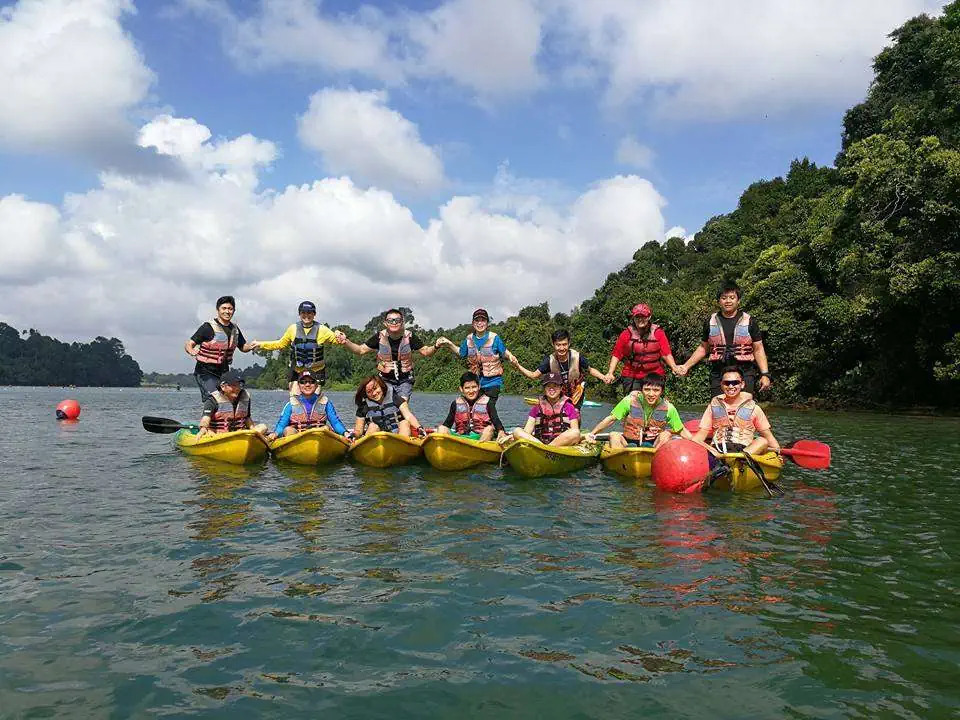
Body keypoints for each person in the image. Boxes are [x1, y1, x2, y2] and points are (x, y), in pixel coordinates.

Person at [677, 282, 772, 396]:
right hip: (719, 372)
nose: (728, 301)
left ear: (738, 300)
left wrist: (765, 374)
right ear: (719, 301)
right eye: (724, 298)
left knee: (744, 404)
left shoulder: (750, 321)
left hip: (745, 371)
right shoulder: (710, 322)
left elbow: (758, 349)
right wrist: (686, 366)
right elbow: (703, 348)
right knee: (718, 405)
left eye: (732, 298)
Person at [335, 308, 438, 402]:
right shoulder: (379, 337)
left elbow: (426, 351)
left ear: (402, 322)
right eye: (390, 320)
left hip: (405, 379)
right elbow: (360, 350)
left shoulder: (410, 337)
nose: (394, 323)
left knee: (402, 404)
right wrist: (346, 342)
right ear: (385, 323)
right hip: (385, 380)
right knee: (387, 405)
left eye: (397, 320)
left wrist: (436, 346)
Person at [253, 300, 339, 404]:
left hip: (316, 371)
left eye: (309, 312)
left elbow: (338, 340)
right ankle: (295, 413)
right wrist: (260, 344)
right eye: (303, 312)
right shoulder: (292, 329)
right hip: (297, 370)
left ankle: (317, 411)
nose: (306, 315)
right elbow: (280, 344)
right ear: (299, 314)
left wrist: (338, 333)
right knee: (295, 400)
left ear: (314, 314)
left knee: (313, 401)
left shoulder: (323, 330)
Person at [586, 373, 692, 449]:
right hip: (628, 443)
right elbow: (611, 419)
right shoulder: (629, 400)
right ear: (641, 390)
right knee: (614, 435)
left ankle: (655, 459)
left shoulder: (669, 408)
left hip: (654, 445)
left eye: (656, 390)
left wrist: (697, 444)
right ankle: (622, 462)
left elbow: (681, 430)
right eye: (647, 389)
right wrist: (592, 434)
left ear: (662, 391)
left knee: (666, 435)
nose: (651, 394)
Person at [510, 329, 611, 408]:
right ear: (553, 344)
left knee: (575, 413)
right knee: (560, 415)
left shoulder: (577, 356)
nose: (562, 348)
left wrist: (603, 377)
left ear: (569, 343)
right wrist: (518, 366)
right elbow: (533, 375)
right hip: (559, 392)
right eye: (558, 345)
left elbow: (590, 370)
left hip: (576, 391)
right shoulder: (549, 360)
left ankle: (575, 427)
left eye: (564, 344)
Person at [692, 366, 780, 455]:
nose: (731, 386)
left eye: (735, 383)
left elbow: (769, 438)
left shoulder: (755, 409)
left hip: (745, 451)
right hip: (718, 450)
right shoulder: (712, 407)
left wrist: (777, 453)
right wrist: (712, 451)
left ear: (742, 384)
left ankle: (738, 459)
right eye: (727, 383)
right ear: (721, 385)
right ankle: (729, 459)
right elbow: (699, 437)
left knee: (762, 441)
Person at [184, 296, 258, 401]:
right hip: (205, 372)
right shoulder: (207, 327)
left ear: (234, 311)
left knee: (232, 396)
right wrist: (191, 351)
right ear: (218, 310)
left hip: (223, 372)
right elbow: (189, 344)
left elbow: (243, 347)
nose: (227, 311)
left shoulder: (235, 330)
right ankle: (209, 411)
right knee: (214, 398)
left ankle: (233, 412)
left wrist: (251, 346)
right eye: (224, 308)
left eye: (230, 309)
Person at [436, 308, 515, 406]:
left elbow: (504, 352)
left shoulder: (495, 338)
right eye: (477, 320)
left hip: (493, 382)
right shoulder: (468, 339)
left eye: (483, 320)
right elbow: (461, 353)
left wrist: (511, 356)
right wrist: (449, 343)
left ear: (487, 323)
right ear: (473, 323)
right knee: (474, 408)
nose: (480, 323)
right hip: (475, 384)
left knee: (488, 406)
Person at [605, 303, 682, 394]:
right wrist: (610, 373)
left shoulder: (658, 333)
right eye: (637, 317)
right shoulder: (626, 334)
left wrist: (674, 367)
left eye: (643, 316)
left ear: (649, 317)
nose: (640, 319)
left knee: (652, 398)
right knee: (634, 399)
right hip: (631, 374)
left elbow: (666, 353)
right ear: (633, 318)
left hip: (654, 374)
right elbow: (617, 354)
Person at [266, 371, 349, 441]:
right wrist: (275, 433)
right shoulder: (291, 404)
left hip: (319, 438)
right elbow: (282, 425)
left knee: (325, 429)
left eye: (311, 382)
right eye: (303, 382)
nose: (307, 385)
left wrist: (345, 433)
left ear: (316, 385)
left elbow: (335, 422)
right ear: (298, 385)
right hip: (297, 438)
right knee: (288, 430)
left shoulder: (325, 402)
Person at [511, 373, 581, 447]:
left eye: (555, 386)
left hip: (561, 445)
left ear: (561, 388)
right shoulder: (536, 408)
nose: (551, 389)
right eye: (548, 386)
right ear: (544, 388)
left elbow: (575, 431)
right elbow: (527, 431)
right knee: (517, 431)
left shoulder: (569, 407)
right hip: (539, 443)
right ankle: (543, 448)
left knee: (575, 432)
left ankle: (547, 448)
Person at [197, 370, 269, 439]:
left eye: (239, 385)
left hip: (240, 433)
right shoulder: (212, 400)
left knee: (263, 427)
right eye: (234, 385)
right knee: (209, 433)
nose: (238, 388)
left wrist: (253, 430)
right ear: (223, 386)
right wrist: (203, 428)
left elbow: (247, 418)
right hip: (218, 434)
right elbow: (205, 418)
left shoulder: (245, 397)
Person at [436, 372, 507, 442]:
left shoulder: (488, 402)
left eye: (474, 387)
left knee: (489, 429)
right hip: (460, 437)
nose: (471, 391)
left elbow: (496, 421)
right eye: (467, 388)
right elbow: (447, 424)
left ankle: (478, 448)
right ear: (461, 389)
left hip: (481, 437)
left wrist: (501, 431)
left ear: (479, 387)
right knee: (442, 428)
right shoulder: (455, 404)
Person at [354, 375, 423, 438]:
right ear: (365, 394)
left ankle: (402, 444)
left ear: (381, 386)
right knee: (372, 426)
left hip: (398, 436)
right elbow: (359, 429)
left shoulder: (395, 398)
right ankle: (370, 445)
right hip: (378, 440)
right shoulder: (363, 407)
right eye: (369, 392)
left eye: (375, 388)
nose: (374, 393)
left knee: (404, 423)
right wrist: (354, 435)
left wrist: (419, 428)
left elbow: (408, 416)